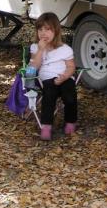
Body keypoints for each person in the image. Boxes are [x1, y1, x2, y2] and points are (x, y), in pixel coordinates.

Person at [29, 12, 77, 140]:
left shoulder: (65, 49)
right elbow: (34, 68)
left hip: (64, 77)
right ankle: (46, 126)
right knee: (48, 96)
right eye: (40, 29)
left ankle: (70, 122)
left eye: (48, 29)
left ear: (56, 31)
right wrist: (40, 50)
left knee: (70, 96)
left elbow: (71, 67)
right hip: (46, 80)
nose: (43, 33)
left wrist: (65, 76)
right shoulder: (35, 47)